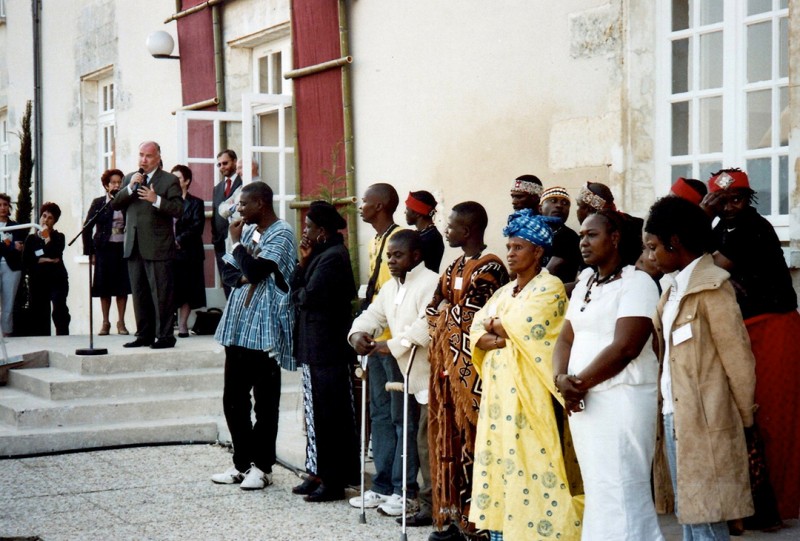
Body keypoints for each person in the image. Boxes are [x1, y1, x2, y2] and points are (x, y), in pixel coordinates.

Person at [644, 195, 757, 539]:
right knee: (690, 514)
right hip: (675, 416)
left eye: (652, 247)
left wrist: (743, 419)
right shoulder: (673, 288)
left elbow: (738, 359)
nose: (649, 256)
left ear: (675, 243)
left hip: (707, 421)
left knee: (707, 518)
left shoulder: (713, 288)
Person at [469, 209, 583, 541]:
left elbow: (524, 326)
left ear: (537, 252)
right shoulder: (505, 292)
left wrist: (499, 327)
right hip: (499, 395)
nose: (511, 253)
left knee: (534, 460)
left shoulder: (550, 287)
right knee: (502, 461)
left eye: (519, 247)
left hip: (531, 392)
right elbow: (478, 326)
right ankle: (504, 531)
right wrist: (497, 331)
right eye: (509, 247)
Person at [553, 209, 662, 541]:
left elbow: (626, 347)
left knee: (623, 483)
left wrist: (579, 383)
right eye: (582, 235)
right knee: (598, 483)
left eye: (592, 235)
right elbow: (565, 337)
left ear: (615, 238)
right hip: (582, 400)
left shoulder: (638, 282)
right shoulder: (585, 281)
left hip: (621, 398)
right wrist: (561, 379)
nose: (583, 241)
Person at [701, 168, 798, 526]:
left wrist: (701, 216)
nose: (729, 207)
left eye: (736, 199)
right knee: (747, 418)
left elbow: (712, 268)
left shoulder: (754, 227)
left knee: (773, 417)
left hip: (773, 328)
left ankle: (781, 504)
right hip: (742, 330)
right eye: (720, 201)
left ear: (749, 198)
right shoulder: (720, 229)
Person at [426, 201, 509, 540]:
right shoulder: (453, 266)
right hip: (448, 376)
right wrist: (450, 316)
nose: (446, 228)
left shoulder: (491, 268)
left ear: (469, 230)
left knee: (474, 445)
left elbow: (474, 318)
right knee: (448, 443)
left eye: (451, 224)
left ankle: (479, 522)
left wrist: (450, 314)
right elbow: (434, 311)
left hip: (473, 377)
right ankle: (453, 518)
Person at [211, 181, 296, 490]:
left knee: (265, 402)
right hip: (238, 325)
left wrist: (237, 249)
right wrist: (243, 260)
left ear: (261, 203)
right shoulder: (247, 231)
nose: (238, 209)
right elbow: (231, 274)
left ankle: (263, 467)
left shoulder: (281, 232)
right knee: (233, 399)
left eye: (244, 204)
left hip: (266, 328)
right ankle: (242, 464)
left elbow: (258, 272)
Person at [349, 229, 439, 516]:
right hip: (402, 367)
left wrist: (388, 345)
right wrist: (357, 335)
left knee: (420, 438)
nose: (391, 261)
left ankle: (413, 495)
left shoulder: (430, 282)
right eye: (388, 255)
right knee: (396, 423)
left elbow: (425, 328)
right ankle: (395, 489)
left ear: (416, 256)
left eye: (397, 255)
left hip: (425, 374)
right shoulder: (390, 287)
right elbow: (372, 315)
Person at [290, 201, 359, 502]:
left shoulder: (333, 257)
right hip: (314, 347)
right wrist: (303, 264)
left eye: (308, 227)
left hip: (327, 350)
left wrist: (300, 290)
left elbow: (308, 297)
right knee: (315, 414)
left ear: (322, 231)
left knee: (330, 415)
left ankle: (333, 480)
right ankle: (316, 471)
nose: (304, 232)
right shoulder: (319, 255)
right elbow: (296, 288)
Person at [348, 182, 409, 512]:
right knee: (380, 415)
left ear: (382, 205)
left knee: (399, 417)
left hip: (393, 344)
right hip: (373, 341)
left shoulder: (398, 240)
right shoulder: (376, 241)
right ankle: (382, 484)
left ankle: (402, 487)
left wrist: (384, 340)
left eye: (366, 202)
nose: (361, 206)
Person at [112, 141, 183, 349]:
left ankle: (165, 336)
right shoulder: (130, 178)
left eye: (148, 156)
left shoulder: (169, 180)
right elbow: (116, 203)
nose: (143, 159)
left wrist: (156, 199)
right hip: (134, 244)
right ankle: (144, 334)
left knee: (161, 293)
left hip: (158, 245)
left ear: (158, 157)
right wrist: (128, 188)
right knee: (139, 292)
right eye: (141, 154)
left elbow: (178, 210)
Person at [82, 169, 130, 336]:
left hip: (123, 248)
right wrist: (90, 252)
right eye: (113, 182)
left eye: (119, 182)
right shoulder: (99, 203)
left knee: (122, 287)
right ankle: (105, 322)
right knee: (105, 287)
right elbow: (87, 227)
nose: (117, 185)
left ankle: (121, 322)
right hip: (104, 249)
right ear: (106, 185)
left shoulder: (127, 202)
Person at [22, 202, 70, 336]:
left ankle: (63, 337)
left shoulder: (59, 237)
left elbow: (55, 251)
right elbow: (27, 260)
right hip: (38, 280)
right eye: (44, 216)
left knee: (59, 309)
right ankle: (43, 341)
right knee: (40, 313)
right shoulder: (31, 239)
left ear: (54, 221)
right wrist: (45, 259)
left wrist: (47, 237)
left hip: (57, 279)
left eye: (50, 218)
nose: (45, 220)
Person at [171, 165, 206, 337]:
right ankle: (169, 323)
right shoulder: (167, 201)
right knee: (171, 288)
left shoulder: (196, 203)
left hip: (188, 251)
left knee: (187, 289)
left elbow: (197, 226)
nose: (174, 182)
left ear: (186, 181)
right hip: (168, 251)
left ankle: (183, 324)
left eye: (177, 178)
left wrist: (179, 240)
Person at [212, 149, 242, 298]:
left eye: (225, 163)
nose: (222, 167)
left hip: (238, 241)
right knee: (226, 284)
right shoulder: (217, 188)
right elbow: (215, 215)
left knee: (239, 281)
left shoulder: (243, 182)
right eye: (219, 165)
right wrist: (215, 239)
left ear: (235, 161)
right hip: (220, 244)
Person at [538, 186, 581, 284]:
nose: (559, 206)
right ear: (540, 208)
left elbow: (548, 273)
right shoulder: (534, 234)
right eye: (553, 201)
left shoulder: (568, 236)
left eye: (565, 203)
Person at [0, 193, 26, 336]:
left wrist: (6, 246)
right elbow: (12, 246)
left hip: (11, 267)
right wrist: (9, 246)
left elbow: (19, 246)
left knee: (8, 303)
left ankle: (6, 333)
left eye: (5, 205)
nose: (2, 208)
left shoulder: (15, 226)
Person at [405, 191, 444, 273]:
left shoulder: (430, 239)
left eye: (407, 209)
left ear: (417, 213)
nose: (405, 212)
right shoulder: (424, 234)